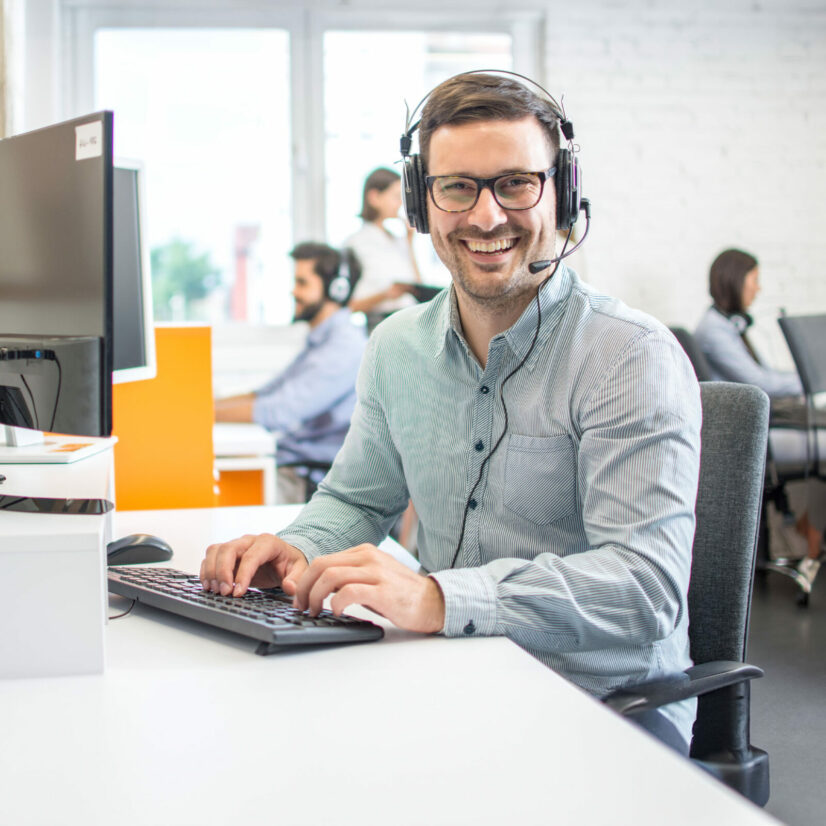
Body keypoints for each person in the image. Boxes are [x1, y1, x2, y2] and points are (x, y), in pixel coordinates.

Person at [202, 72, 701, 753]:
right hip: (445, 678)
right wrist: (297, 545)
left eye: (516, 183)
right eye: (457, 187)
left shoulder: (628, 356)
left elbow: (644, 585)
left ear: (564, 195)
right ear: (420, 202)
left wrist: (439, 599)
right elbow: (357, 498)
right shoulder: (396, 347)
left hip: (606, 708)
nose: (486, 216)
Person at [694, 248, 824, 583]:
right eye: (755, 281)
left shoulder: (729, 326)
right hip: (755, 434)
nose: (759, 289)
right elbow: (759, 382)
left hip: (766, 424)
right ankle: (812, 535)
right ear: (736, 282)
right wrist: (809, 377)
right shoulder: (714, 330)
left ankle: (811, 530)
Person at [214, 242, 366, 504]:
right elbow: (265, 393)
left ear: (336, 290)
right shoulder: (322, 339)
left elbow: (279, 410)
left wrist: (200, 416)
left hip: (308, 480)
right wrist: (205, 407)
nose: (293, 291)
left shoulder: (345, 347)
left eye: (302, 283)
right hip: (290, 464)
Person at [345, 167, 422, 326]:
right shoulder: (356, 244)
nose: (401, 204)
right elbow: (348, 306)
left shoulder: (397, 240)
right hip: (381, 324)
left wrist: (409, 242)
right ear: (374, 197)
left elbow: (417, 285)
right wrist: (386, 295)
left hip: (410, 322)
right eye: (395, 197)